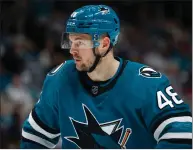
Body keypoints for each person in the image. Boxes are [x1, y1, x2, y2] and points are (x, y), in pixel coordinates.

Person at [20, 5, 192, 149]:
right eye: (71, 41)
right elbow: (34, 138)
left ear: (104, 44)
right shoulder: (60, 79)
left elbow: (182, 134)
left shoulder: (146, 83)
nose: (72, 50)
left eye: (80, 42)